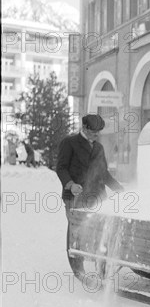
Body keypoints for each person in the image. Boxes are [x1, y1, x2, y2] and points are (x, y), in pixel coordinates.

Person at [56, 114, 124, 276]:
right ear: (84, 128)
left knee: (102, 230)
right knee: (77, 231)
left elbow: (103, 173)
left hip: (98, 196)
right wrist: (70, 184)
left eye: (99, 132)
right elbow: (61, 168)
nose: (97, 135)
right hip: (76, 197)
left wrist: (119, 189)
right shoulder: (69, 143)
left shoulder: (98, 148)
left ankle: (102, 266)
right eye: (94, 131)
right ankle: (77, 267)